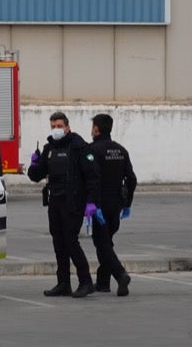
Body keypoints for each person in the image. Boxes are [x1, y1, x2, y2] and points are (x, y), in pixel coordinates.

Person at [27, 111, 102, 298]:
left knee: (70, 241)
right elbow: (36, 176)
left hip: (74, 201)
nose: (56, 129)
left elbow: (93, 177)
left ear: (67, 127)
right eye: (53, 126)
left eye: (59, 126)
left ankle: (85, 281)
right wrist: (34, 164)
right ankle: (63, 283)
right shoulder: (49, 148)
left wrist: (92, 202)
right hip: (55, 201)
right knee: (58, 242)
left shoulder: (79, 147)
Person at [89, 113, 137, 296]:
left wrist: (92, 203)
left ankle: (120, 274)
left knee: (101, 244)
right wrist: (127, 203)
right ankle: (103, 282)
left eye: (93, 126)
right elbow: (131, 179)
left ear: (96, 129)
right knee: (106, 242)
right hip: (116, 205)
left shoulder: (93, 150)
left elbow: (92, 180)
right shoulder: (121, 150)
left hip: (100, 204)